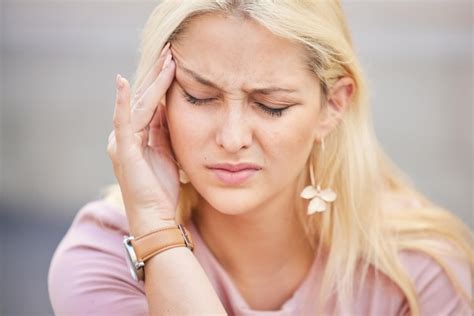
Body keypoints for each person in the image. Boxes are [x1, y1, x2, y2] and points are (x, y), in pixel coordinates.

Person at [48, 1, 473, 315]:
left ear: (333, 106)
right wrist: (157, 232)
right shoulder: (101, 256)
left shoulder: (415, 274)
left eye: (271, 105)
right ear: (159, 99)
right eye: (200, 97)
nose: (232, 138)